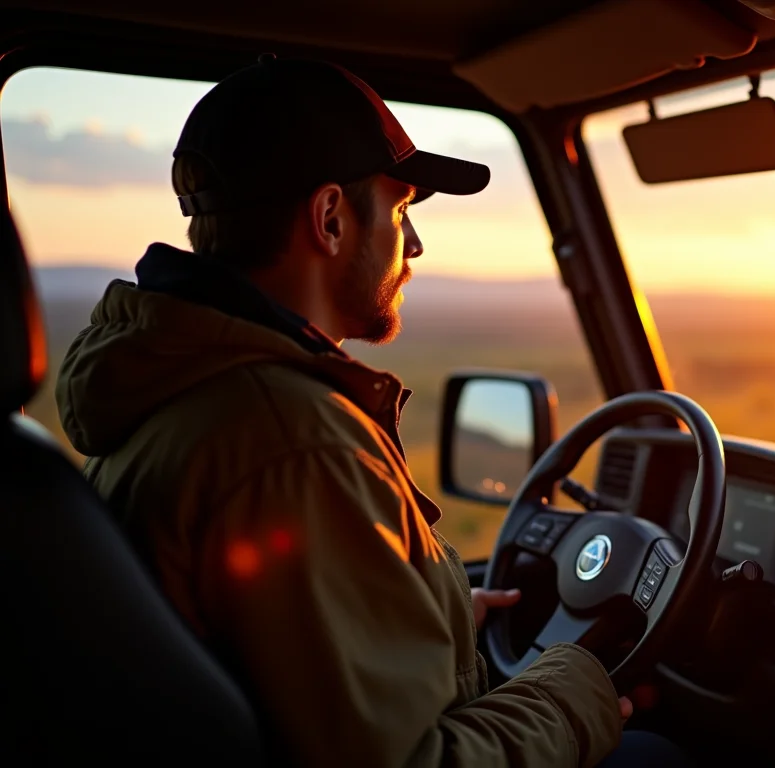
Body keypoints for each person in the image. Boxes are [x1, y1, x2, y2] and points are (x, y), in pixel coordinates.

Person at [55, 55, 687, 767]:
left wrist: (439, 614)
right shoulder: (292, 442)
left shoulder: (178, 387)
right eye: (400, 211)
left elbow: (273, 646)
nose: (413, 245)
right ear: (329, 219)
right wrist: (577, 688)